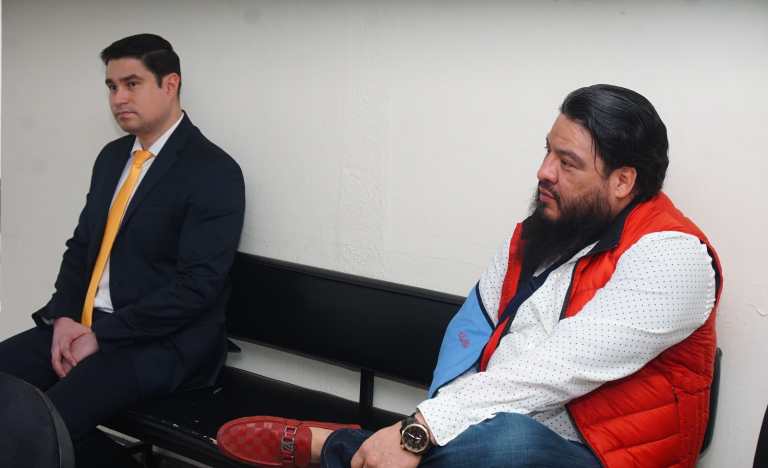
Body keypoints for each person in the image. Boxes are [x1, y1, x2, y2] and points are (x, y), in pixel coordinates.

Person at [216, 84, 721, 468]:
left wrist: (417, 431)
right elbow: (471, 333)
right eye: (547, 151)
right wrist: (429, 426)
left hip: (600, 454)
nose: (544, 171)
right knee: (494, 436)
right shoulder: (538, 233)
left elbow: (557, 368)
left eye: (567, 163)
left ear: (623, 181)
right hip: (492, 430)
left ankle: (339, 448)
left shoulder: (674, 258)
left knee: (510, 442)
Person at [0, 34, 245, 467]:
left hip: (165, 344)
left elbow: (196, 289)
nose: (118, 98)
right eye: (112, 86)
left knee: (40, 423)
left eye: (132, 84)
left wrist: (103, 336)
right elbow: (81, 248)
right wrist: (64, 318)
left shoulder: (214, 171)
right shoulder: (113, 158)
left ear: (170, 84)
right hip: (89, 325)